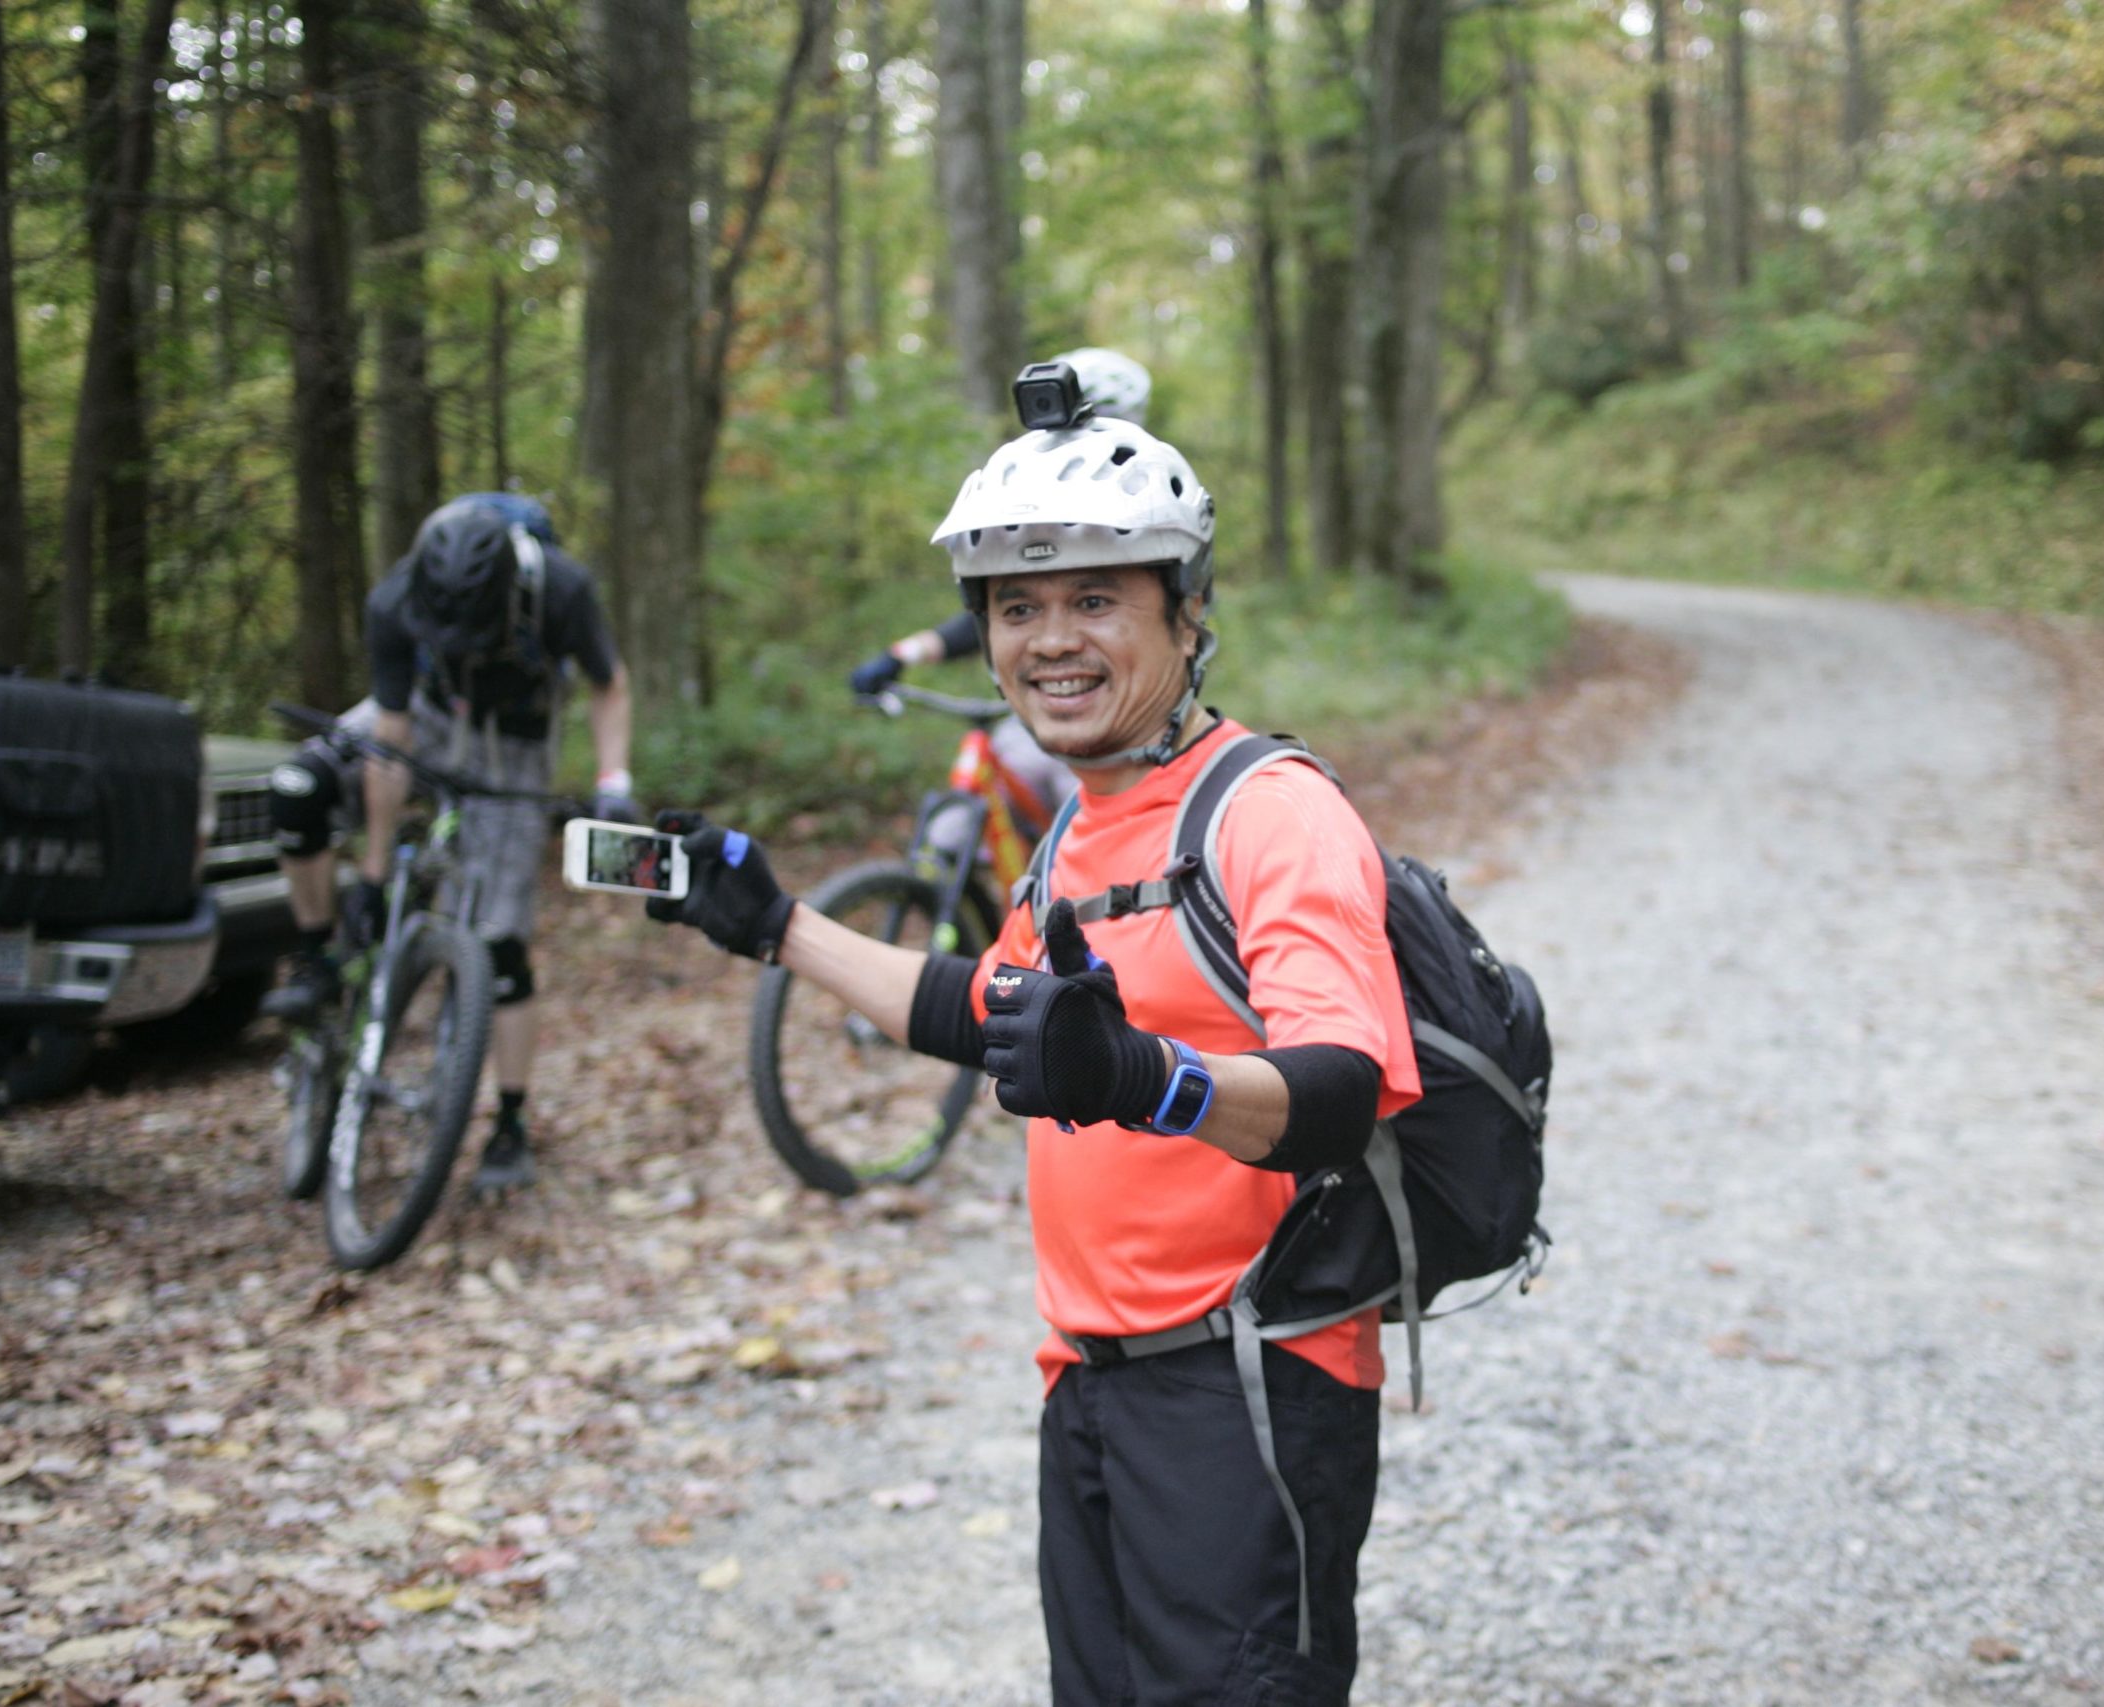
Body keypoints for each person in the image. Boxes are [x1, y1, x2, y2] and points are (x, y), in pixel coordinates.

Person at [650, 412, 1418, 1705]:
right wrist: (781, 926)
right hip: (1092, 1374)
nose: (1049, 638)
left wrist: (1146, 1076)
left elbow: (1338, 1091)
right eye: (1015, 605)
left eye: (1094, 598)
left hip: (1250, 1377)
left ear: (1185, 614)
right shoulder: (1080, 823)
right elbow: (984, 1011)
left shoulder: (1273, 811)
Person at [262, 494, 638, 1192]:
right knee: (297, 786)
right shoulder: (396, 598)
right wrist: (373, 873)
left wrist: (614, 781)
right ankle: (315, 956)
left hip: (515, 745)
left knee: (502, 941)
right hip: (424, 720)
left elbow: (608, 684)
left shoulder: (561, 587)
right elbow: (391, 738)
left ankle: (510, 1119)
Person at [845, 347, 1155, 840]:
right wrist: (899, 653)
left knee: (1092, 822)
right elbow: (979, 622)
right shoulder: (1031, 501)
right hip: (1034, 722)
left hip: (1120, 731)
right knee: (950, 832)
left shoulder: (1154, 507)